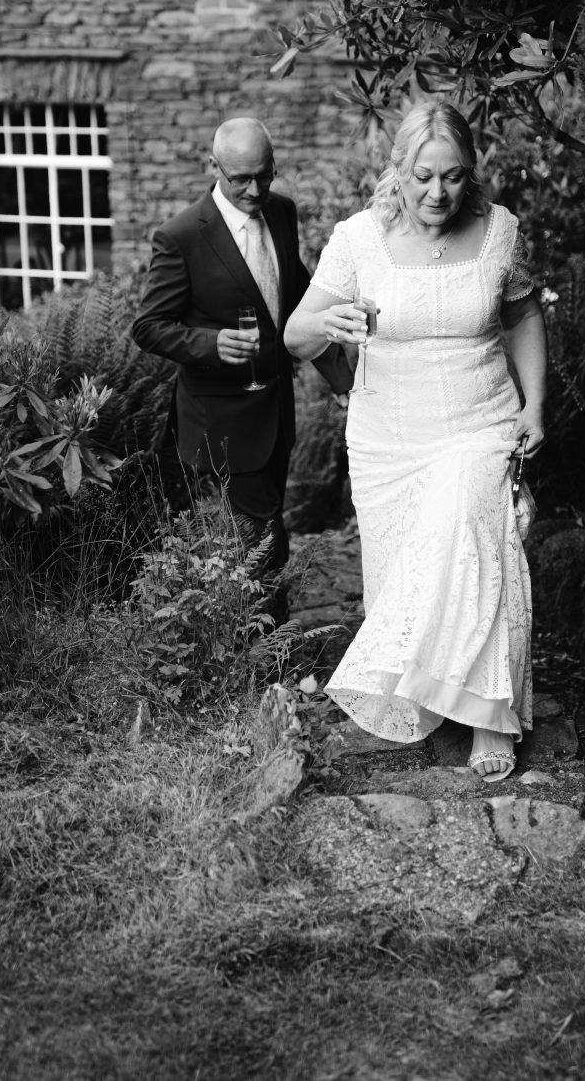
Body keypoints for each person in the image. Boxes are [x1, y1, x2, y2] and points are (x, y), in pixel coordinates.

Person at [284, 100, 547, 782]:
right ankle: (436, 698)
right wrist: (331, 321)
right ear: (397, 171)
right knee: (411, 580)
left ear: (471, 175)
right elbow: (296, 333)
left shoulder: (500, 232)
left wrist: (535, 406)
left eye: (454, 177)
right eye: (424, 177)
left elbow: (521, 315)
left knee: (475, 546)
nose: (438, 193)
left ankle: (491, 715)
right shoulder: (357, 240)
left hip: (480, 422)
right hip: (388, 439)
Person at [131, 117, 352, 584]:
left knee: (261, 533)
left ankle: (258, 634)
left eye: (265, 174)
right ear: (214, 167)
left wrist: (341, 381)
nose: (255, 189)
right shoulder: (181, 236)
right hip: (223, 419)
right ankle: (268, 644)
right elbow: (148, 327)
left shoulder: (283, 212)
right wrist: (210, 343)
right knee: (265, 537)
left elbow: (299, 300)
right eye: (241, 179)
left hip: (277, 411)